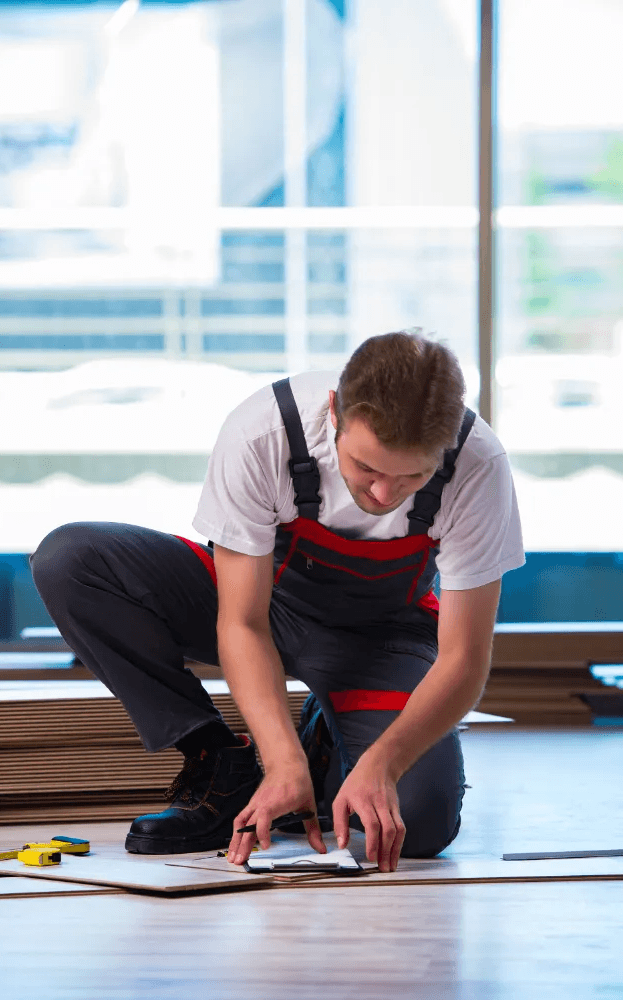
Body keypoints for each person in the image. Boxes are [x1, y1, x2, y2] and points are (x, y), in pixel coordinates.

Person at [30, 330, 524, 873]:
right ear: (335, 411)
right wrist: (277, 761)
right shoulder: (265, 431)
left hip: (381, 638)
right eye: (368, 469)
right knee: (71, 560)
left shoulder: (479, 464)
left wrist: (384, 762)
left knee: (420, 825)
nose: (385, 495)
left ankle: (324, 748)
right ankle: (220, 759)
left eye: (414, 476)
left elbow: (463, 658)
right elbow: (241, 622)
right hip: (262, 606)